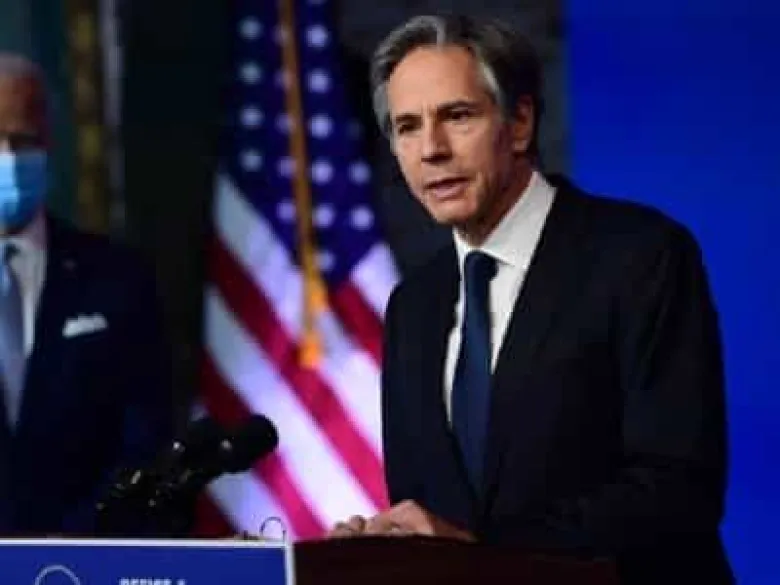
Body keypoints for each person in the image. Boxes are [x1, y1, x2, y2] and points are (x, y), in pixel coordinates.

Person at [330, 14, 733, 584]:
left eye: (457, 116)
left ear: (520, 122)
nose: (432, 150)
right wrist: (384, 546)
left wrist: (481, 549)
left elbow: (677, 487)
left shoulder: (640, 255)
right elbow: (428, 512)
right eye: (407, 127)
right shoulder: (413, 308)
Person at [0, 53, 173, 535]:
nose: (9, 158)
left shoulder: (117, 279)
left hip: (85, 557)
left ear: (50, 143)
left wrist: (68, 549)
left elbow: (144, 444)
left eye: (23, 141)